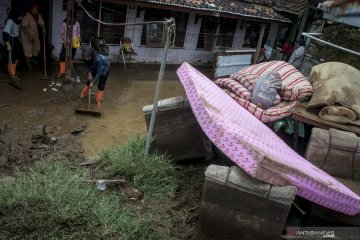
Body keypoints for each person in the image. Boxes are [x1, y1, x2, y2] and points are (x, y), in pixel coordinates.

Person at [80, 38, 110, 107]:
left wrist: (93, 82)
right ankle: (83, 94)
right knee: (89, 81)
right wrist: (89, 73)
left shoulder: (98, 58)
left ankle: (98, 100)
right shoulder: (85, 56)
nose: (86, 59)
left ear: (92, 55)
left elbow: (99, 72)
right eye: (85, 58)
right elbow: (86, 65)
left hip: (104, 67)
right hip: (95, 66)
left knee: (101, 84)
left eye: (88, 58)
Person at [21, 3, 46, 70]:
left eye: (36, 9)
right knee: (28, 50)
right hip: (26, 35)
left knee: (37, 48)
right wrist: (29, 36)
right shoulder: (27, 15)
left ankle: (33, 59)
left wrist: (43, 29)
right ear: (31, 9)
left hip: (35, 34)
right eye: (33, 9)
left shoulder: (38, 15)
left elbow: (42, 23)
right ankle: (28, 63)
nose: (35, 11)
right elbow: (23, 27)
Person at [56, 13, 81, 78]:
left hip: (75, 42)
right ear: (67, 17)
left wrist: (79, 40)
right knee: (62, 56)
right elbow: (61, 33)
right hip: (66, 42)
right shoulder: (64, 23)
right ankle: (62, 71)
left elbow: (78, 33)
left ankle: (68, 71)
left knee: (71, 57)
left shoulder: (77, 23)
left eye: (73, 17)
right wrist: (65, 40)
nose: (71, 19)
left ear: (74, 17)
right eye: (69, 17)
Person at [2, 8, 22, 87]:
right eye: (21, 15)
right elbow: (5, 33)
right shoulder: (10, 21)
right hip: (10, 40)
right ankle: (12, 75)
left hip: (16, 39)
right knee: (11, 58)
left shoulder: (17, 21)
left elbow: (18, 30)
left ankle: (13, 72)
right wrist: (8, 44)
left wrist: (19, 37)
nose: (22, 17)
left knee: (17, 57)